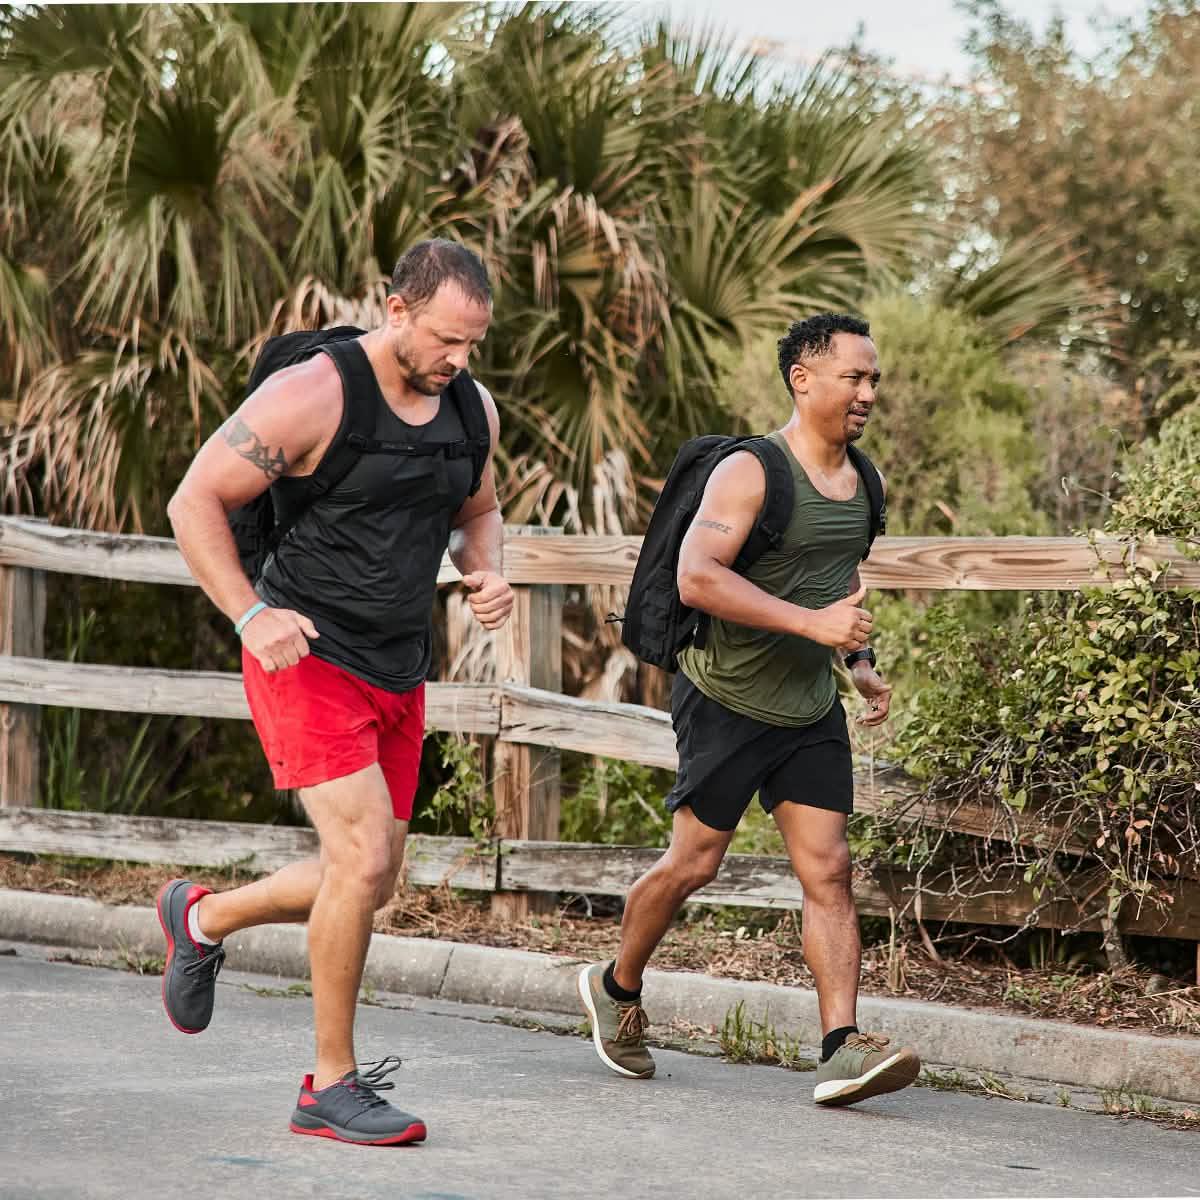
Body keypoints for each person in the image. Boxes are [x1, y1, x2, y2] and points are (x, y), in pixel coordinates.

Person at [160, 239, 513, 1145]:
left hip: (400, 662)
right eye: (445, 340)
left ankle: (202, 917)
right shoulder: (314, 393)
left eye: (472, 344)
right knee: (358, 861)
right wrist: (249, 616)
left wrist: (486, 573)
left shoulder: (471, 408)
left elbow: (478, 510)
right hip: (303, 648)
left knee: (376, 876)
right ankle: (329, 1085)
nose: (458, 361)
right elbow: (193, 501)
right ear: (396, 310)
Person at [578, 313, 920, 1106]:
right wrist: (812, 626)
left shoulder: (862, 482)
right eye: (854, 377)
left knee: (829, 869)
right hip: (725, 699)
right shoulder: (751, 471)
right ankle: (616, 987)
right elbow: (698, 577)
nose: (868, 392)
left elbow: (834, 585)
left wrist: (859, 662)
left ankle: (841, 1046)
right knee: (695, 862)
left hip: (807, 709)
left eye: (874, 379)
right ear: (804, 380)